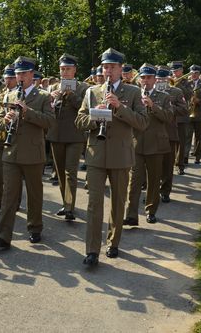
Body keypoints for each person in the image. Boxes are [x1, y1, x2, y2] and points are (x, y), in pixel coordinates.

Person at [75, 48, 148, 266]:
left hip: (121, 155)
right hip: (96, 154)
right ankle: (92, 250)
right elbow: (79, 122)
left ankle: (113, 243)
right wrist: (94, 117)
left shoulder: (134, 92)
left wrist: (119, 107)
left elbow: (143, 123)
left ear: (120, 69)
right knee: (94, 203)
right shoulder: (91, 92)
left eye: (112, 67)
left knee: (118, 202)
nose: (108, 71)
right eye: (105, 67)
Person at [0, 56, 55, 248]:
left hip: (33, 153)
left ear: (31, 74)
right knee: (9, 195)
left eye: (23, 73)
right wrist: (5, 121)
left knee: (34, 194)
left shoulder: (43, 96)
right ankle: (3, 235)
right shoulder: (8, 95)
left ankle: (35, 227)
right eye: (17, 74)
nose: (20, 77)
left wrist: (28, 112)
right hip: (11, 152)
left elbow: (50, 122)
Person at [124, 63, 173, 225]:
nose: (145, 81)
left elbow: (168, 118)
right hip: (136, 143)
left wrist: (153, 106)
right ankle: (131, 214)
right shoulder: (134, 95)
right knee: (134, 181)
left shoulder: (164, 96)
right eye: (143, 78)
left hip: (156, 145)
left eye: (149, 77)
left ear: (154, 79)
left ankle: (151, 210)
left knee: (153, 180)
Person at [47, 53, 88, 221]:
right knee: (61, 172)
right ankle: (66, 202)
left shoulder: (83, 87)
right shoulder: (52, 87)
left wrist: (71, 95)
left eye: (68, 69)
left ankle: (70, 207)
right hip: (56, 134)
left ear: (74, 70)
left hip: (75, 134)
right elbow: (48, 111)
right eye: (62, 69)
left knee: (70, 171)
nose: (65, 72)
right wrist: (52, 100)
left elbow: (83, 108)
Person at [155, 66, 188, 204]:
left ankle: (165, 191)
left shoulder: (176, 91)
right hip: (152, 133)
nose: (160, 81)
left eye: (163, 78)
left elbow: (184, 110)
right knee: (153, 167)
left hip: (169, 133)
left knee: (168, 165)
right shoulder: (148, 92)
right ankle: (153, 193)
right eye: (158, 79)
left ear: (168, 79)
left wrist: (169, 106)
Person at [0, 64, 17, 215]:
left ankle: (14, 201)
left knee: (14, 175)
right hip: (0, 139)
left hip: (17, 140)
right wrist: (3, 122)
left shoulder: (21, 94)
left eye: (12, 77)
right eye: (7, 77)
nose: (9, 81)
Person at [169, 61, 192, 169]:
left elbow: (188, 95)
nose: (174, 73)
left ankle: (180, 164)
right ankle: (170, 162)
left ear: (182, 71)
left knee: (181, 142)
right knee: (171, 142)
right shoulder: (168, 80)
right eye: (173, 71)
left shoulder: (187, 82)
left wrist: (178, 85)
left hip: (181, 117)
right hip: (170, 116)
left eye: (177, 71)